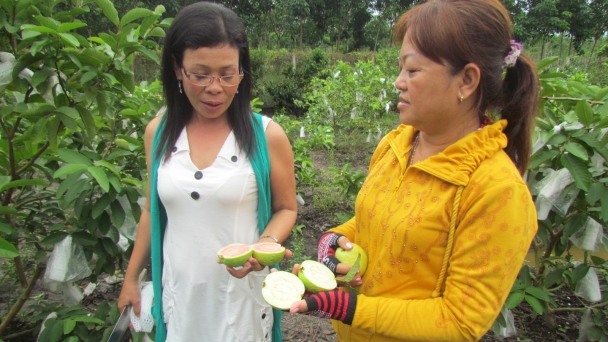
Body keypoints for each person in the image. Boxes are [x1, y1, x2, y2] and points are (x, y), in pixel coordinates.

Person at [288, 0, 539, 341]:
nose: (398, 82)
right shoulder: (396, 145)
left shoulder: (496, 190)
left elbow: (460, 322)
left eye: (412, 70)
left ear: (466, 80)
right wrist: (332, 240)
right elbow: (375, 223)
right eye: (400, 69)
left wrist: (346, 308)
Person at [117, 2, 297, 342]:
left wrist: (264, 246)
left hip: (241, 299)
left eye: (228, 75)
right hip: (181, 298)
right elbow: (150, 210)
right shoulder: (159, 133)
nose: (215, 88)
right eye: (200, 74)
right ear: (177, 68)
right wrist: (131, 279)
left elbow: (286, 208)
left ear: (242, 71)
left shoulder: (267, 135)